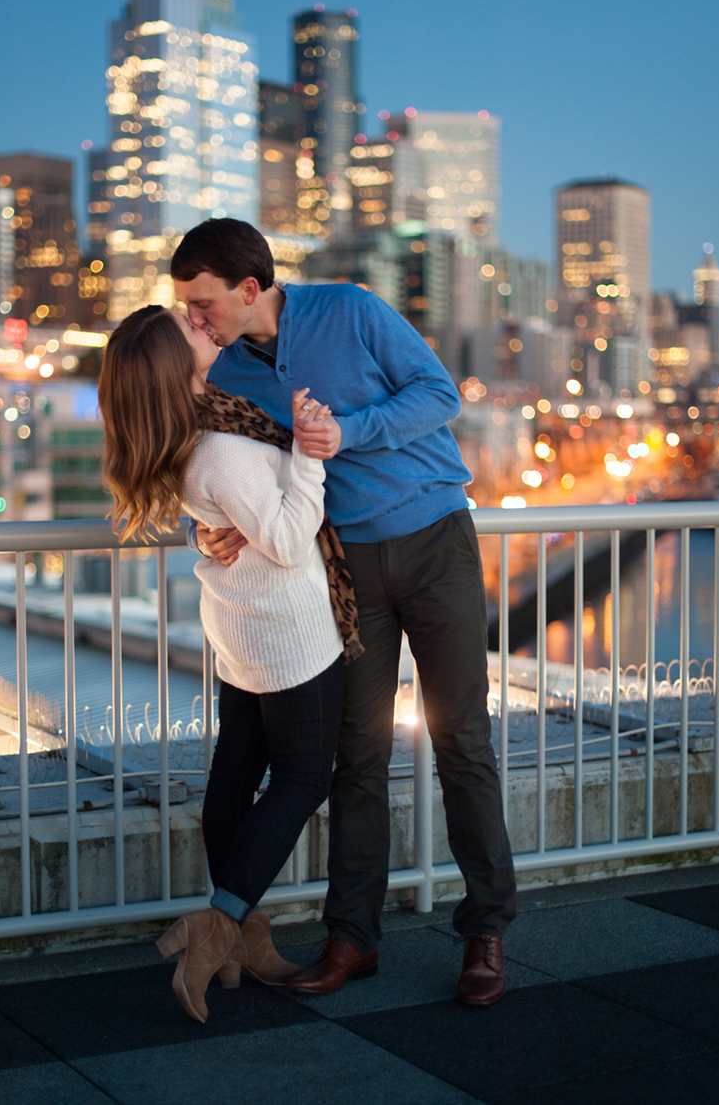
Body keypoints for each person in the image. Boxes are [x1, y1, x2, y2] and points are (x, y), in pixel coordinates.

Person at [171, 217, 517, 1006]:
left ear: (249, 289)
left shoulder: (352, 311)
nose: (196, 319)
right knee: (356, 753)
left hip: (435, 541)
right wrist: (205, 525)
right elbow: (220, 465)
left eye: (203, 303)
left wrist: (346, 431)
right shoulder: (223, 371)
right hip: (343, 568)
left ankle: (486, 932)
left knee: (462, 738)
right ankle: (352, 937)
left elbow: (440, 394)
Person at [98, 303, 350, 1024]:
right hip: (290, 632)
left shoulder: (185, 438)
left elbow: (220, 512)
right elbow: (289, 535)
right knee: (303, 778)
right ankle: (220, 921)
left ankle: (240, 934)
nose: (196, 319)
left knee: (236, 774)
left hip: (239, 629)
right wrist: (307, 452)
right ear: (175, 365)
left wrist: (205, 531)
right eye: (185, 325)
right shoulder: (221, 446)